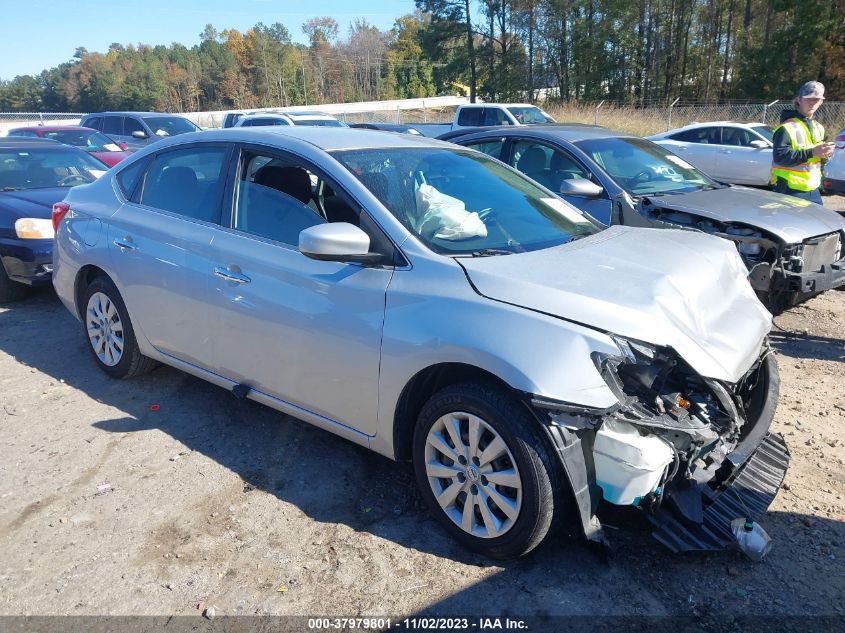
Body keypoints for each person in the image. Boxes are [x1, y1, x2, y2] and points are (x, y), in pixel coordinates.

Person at [770, 81, 835, 204]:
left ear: (821, 102)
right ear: (799, 100)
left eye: (817, 99)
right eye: (808, 99)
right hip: (790, 190)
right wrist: (813, 152)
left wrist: (825, 154)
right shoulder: (786, 127)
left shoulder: (818, 127)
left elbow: (816, 158)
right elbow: (780, 157)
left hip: (813, 189)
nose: (813, 102)